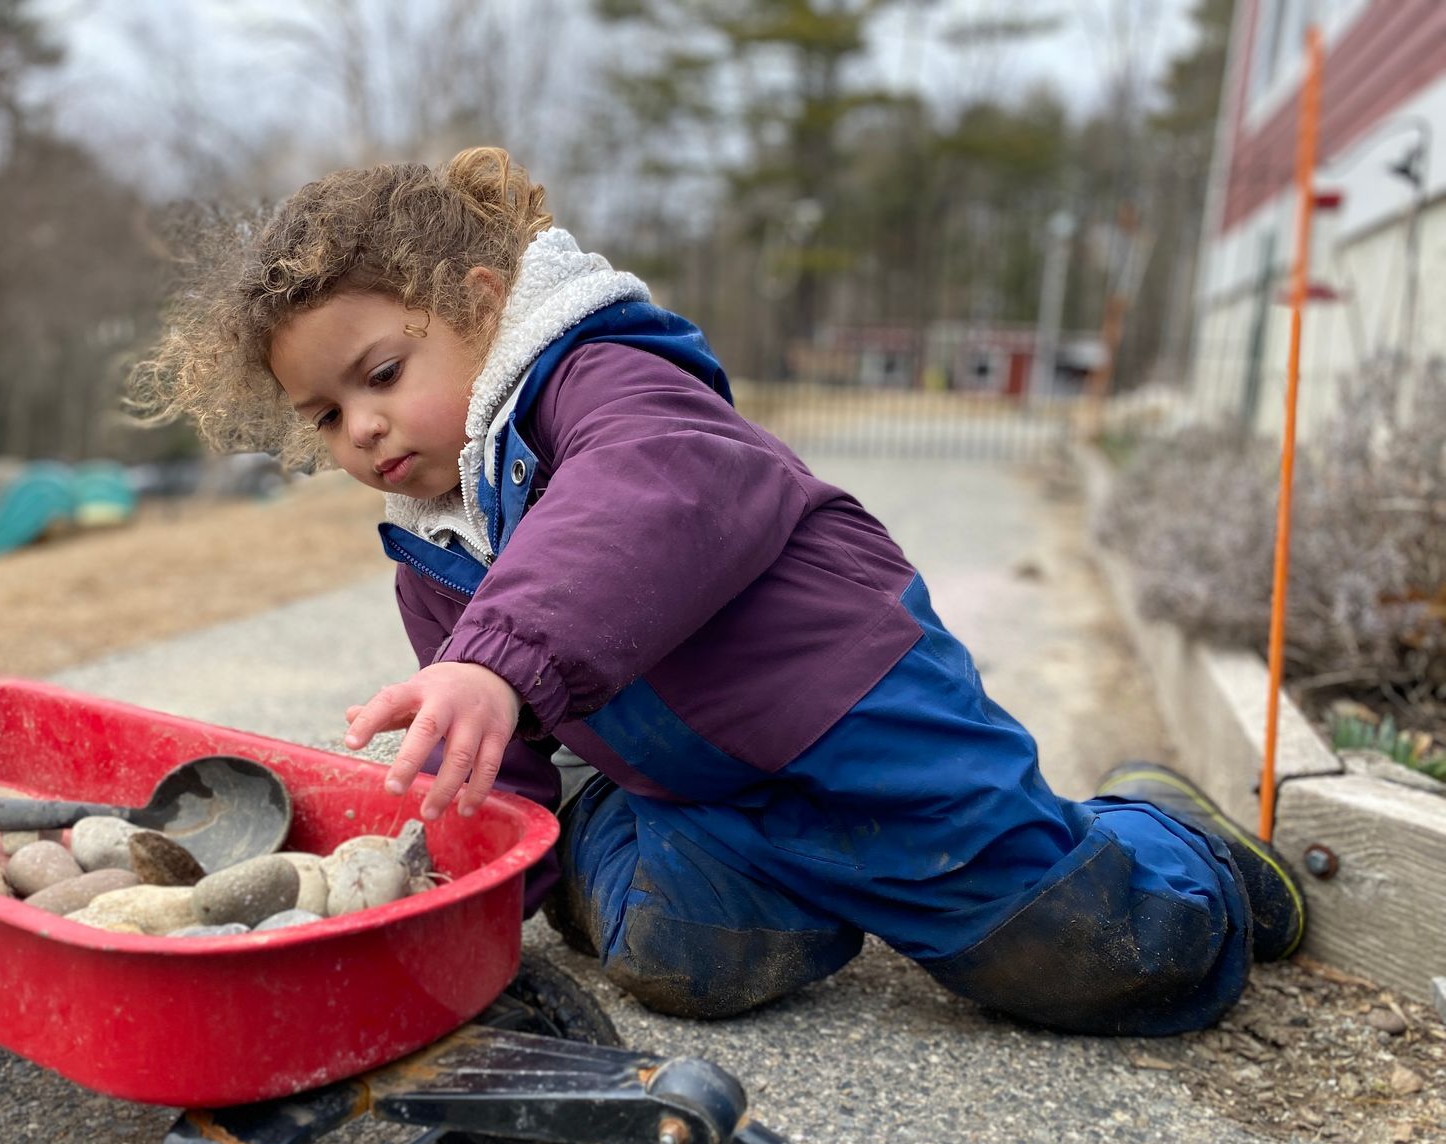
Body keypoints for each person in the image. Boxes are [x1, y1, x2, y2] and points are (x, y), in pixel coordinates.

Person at [136, 146, 1306, 1035]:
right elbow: (496, 770)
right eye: (326, 417)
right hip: (705, 798)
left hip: (858, 719)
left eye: (382, 374)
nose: (364, 426)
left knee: (1071, 951)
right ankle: (741, 878)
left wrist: (493, 660)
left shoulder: (605, 382)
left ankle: (1171, 844)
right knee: (674, 949)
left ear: (484, 305)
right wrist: (446, 910)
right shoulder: (436, 547)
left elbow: (655, 495)